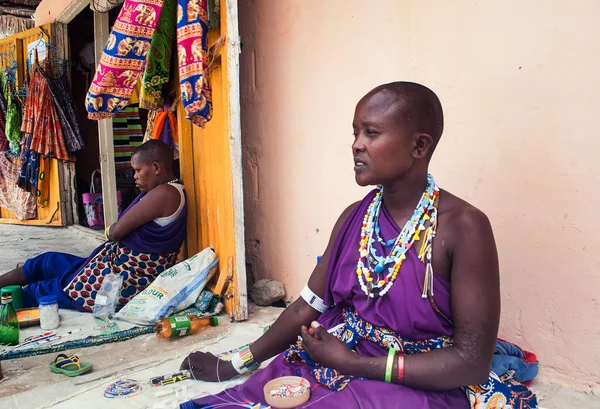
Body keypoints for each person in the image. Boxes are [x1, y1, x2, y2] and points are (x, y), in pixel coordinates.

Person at [179, 82, 538, 408]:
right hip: (345, 351)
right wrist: (236, 362)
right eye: (355, 132)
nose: (356, 144)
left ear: (419, 145)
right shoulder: (355, 217)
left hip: (421, 378)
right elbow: (307, 306)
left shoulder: (465, 226)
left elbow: (471, 362)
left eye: (372, 132)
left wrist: (354, 365)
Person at [0, 140, 187, 312]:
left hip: (126, 277)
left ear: (156, 167)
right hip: (115, 265)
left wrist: (109, 231)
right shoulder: (165, 190)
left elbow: (115, 232)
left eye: (138, 170)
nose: (135, 176)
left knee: (49, 288)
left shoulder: (165, 193)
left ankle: (9, 303)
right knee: (47, 261)